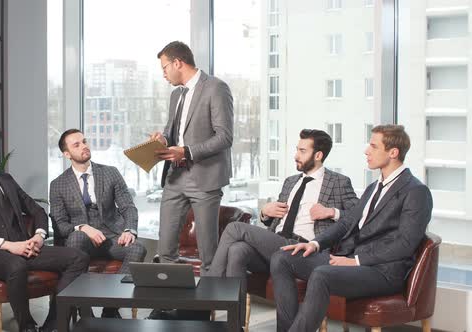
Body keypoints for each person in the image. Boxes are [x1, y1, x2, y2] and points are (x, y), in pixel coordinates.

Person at [270, 124, 433, 332]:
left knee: (322, 275)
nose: (367, 151)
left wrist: (355, 261)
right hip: (353, 259)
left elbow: (405, 244)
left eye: (373, 146)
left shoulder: (416, 191)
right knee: (282, 258)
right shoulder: (374, 187)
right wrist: (315, 243)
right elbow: (347, 223)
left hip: (382, 272)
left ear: (393, 152)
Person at [0, 130, 88, 332]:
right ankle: (27, 326)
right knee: (17, 265)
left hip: (26, 247)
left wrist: (39, 237)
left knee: (78, 257)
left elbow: (37, 210)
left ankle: (53, 323)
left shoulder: (6, 180)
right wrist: (8, 245)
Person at [148, 40, 234, 320]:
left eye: (164, 68)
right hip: (175, 177)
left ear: (178, 63)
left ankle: (202, 311)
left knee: (208, 250)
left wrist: (186, 151)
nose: (163, 74)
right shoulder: (177, 95)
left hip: (205, 178)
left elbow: (224, 136)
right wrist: (162, 139)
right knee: (165, 247)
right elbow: (177, 133)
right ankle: (169, 303)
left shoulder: (216, 88)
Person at [208, 129, 358, 278]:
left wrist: (332, 212)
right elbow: (275, 221)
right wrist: (265, 213)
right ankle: (231, 302)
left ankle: (209, 290)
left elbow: (359, 216)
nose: (296, 156)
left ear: (318, 155)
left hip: (303, 247)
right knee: (237, 250)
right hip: (277, 241)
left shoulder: (339, 182)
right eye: (297, 150)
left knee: (234, 228)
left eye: (302, 151)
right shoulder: (290, 182)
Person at [49, 129, 147, 319]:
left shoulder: (110, 173)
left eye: (84, 141)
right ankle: (82, 309)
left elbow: (128, 206)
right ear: (66, 154)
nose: (84, 146)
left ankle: (110, 308)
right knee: (76, 237)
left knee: (138, 249)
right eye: (76, 144)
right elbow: (60, 224)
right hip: (81, 242)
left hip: (111, 237)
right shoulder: (58, 184)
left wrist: (129, 229)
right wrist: (83, 227)